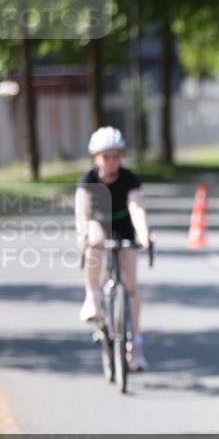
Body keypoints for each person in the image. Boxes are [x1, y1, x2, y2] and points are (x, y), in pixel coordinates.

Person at [75, 126, 153, 371]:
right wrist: (83, 235)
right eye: (106, 156)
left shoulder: (130, 179)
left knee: (131, 286)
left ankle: (136, 345)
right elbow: (83, 212)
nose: (111, 161)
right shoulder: (89, 180)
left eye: (116, 156)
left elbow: (136, 208)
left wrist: (144, 234)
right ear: (96, 157)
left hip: (123, 227)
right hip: (98, 224)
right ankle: (93, 297)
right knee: (95, 239)